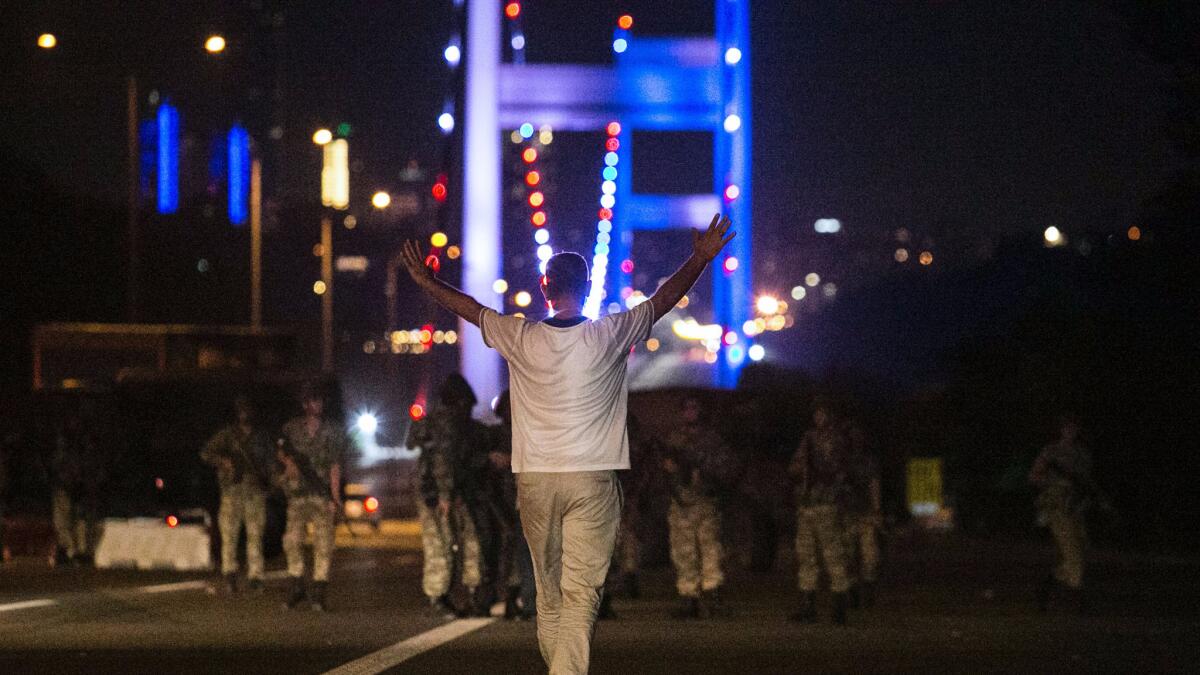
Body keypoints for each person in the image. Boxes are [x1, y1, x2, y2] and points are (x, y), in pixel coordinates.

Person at [400, 213, 734, 674]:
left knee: (550, 592)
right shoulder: (608, 333)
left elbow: (470, 309)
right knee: (582, 594)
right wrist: (699, 258)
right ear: (589, 285)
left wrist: (426, 282)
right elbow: (664, 300)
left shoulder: (520, 335)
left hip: (535, 479)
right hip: (592, 478)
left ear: (544, 286)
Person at [406, 373, 489, 618]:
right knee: (456, 542)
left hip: (435, 490)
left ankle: (441, 593)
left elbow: (412, 444)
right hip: (446, 492)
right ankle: (459, 591)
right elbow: (445, 462)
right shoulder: (451, 424)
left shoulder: (430, 422)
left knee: (439, 543)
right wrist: (446, 495)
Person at [662, 397, 738, 619]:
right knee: (683, 551)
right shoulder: (675, 439)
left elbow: (725, 467)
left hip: (705, 500)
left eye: (694, 408)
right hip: (682, 501)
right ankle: (688, 596)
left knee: (710, 549)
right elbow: (667, 469)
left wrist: (706, 476)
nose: (690, 412)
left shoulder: (711, 439)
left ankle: (713, 593)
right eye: (686, 408)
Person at [278, 384, 349, 612]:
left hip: (321, 494)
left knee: (324, 543)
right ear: (304, 404)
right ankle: (296, 583)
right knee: (292, 541)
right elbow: (280, 450)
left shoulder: (333, 430)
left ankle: (319, 588)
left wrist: (335, 497)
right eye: (312, 401)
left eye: (319, 401)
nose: (317, 405)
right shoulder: (292, 429)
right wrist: (288, 463)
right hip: (297, 494)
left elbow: (335, 465)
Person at [1029, 414, 1102, 613]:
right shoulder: (1051, 452)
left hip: (1076, 506)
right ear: (1061, 429)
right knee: (1073, 554)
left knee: (1081, 550)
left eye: (1074, 427)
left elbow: (1087, 482)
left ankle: (1047, 586)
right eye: (1067, 427)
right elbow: (1034, 477)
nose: (1071, 431)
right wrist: (1055, 483)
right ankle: (1080, 601)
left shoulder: (1083, 454)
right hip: (1058, 506)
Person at [200, 395, 273, 594]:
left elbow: (271, 463)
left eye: (248, 410)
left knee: (255, 536)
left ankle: (256, 577)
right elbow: (206, 453)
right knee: (229, 536)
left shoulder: (261, 436)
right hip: (231, 492)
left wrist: (271, 484)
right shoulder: (228, 435)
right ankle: (230, 574)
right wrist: (224, 462)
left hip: (255, 492)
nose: (245, 414)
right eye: (241, 410)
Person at [788, 402, 852, 625]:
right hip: (807, 504)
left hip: (827, 503)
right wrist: (800, 470)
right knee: (806, 555)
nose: (819, 417)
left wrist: (819, 467)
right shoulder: (808, 438)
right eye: (816, 413)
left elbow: (838, 469)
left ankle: (839, 605)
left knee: (833, 554)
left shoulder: (838, 440)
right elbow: (795, 466)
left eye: (823, 413)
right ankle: (808, 605)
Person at [50, 402, 106, 567]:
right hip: (75, 484)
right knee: (74, 518)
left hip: (76, 484)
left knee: (76, 518)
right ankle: (76, 550)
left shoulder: (72, 442)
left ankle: (75, 550)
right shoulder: (81, 441)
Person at [842, 419, 882, 608]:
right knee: (848, 554)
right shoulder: (844, 459)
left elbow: (874, 484)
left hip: (864, 512)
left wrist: (876, 510)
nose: (856, 439)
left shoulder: (868, 460)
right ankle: (853, 591)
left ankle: (868, 591)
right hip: (848, 512)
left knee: (869, 556)